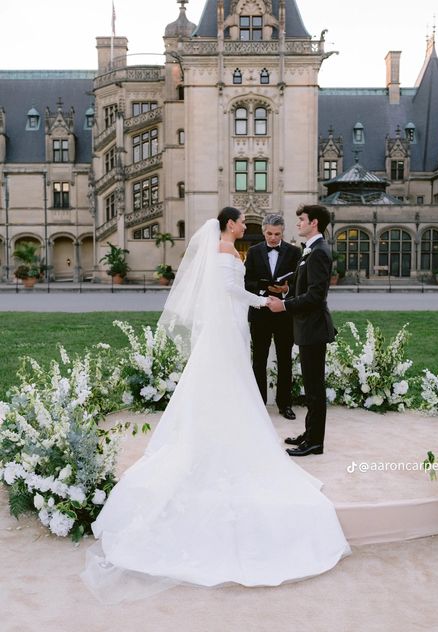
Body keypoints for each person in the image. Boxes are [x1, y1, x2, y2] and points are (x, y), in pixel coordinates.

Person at [82, 207, 349, 603]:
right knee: (231, 379)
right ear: (230, 225)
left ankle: (237, 427)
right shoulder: (226, 250)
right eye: (243, 221)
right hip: (231, 323)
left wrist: (267, 302)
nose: (248, 226)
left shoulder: (231, 247)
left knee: (233, 381)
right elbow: (228, 291)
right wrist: (262, 302)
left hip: (235, 323)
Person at [268, 204, 336, 457]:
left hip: (314, 328)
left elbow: (316, 296)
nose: (298, 224)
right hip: (307, 328)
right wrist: (286, 291)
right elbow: (304, 288)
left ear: (314, 223)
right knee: (311, 386)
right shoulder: (311, 250)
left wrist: (284, 305)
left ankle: (315, 442)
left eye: (302, 219)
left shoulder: (318, 252)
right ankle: (309, 433)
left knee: (315, 389)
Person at [244, 214, 301, 420]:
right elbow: (246, 281)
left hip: (284, 314)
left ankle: (285, 404)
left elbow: (299, 284)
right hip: (260, 314)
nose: (273, 238)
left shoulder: (295, 252)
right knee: (258, 360)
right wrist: (262, 289)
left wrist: (286, 289)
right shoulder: (253, 251)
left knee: (285, 360)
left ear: (283, 232)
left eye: (277, 234)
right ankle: (259, 404)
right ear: (263, 232)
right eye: (269, 233)